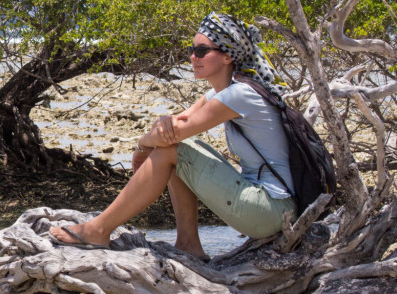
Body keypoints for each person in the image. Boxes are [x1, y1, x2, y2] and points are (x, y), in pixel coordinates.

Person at [50, 13, 296, 258]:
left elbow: (171, 135)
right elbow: (171, 123)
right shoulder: (226, 92)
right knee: (179, 145)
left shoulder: (239, 95)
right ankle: (188, 244)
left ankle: (98, 230)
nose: (192, 57)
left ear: (227, 55)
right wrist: (151, 140)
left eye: (201, 51)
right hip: (270, 207)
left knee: (173, 148)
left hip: (270, 209)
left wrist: (143, 145)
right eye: (192, 50)